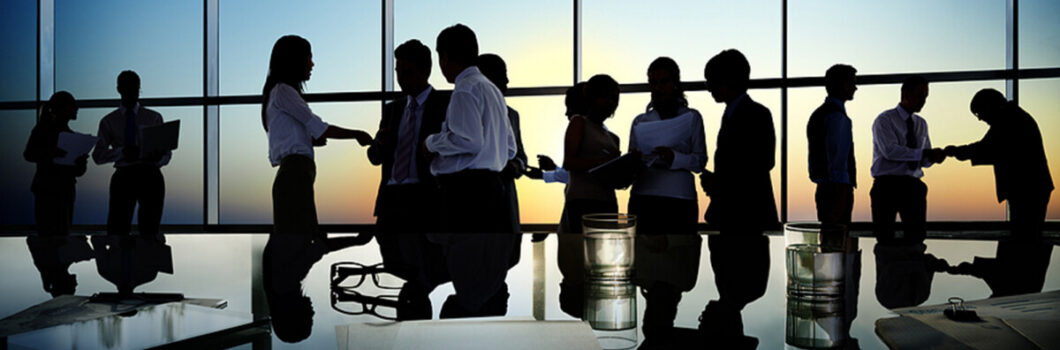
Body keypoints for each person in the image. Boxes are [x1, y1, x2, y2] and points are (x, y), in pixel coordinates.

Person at [423, 24, 518, 318]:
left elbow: (469, 141)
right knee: (483, 272)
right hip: (492, 191)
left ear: (446, 57)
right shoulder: (491, 90)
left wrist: (432, 142)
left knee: (466, 269)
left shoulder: (465, 89)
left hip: (467, 195)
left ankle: (466, 322)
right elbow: (510, 149)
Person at [366, 39, 451, 320]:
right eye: (398, 72)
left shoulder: (445, 104)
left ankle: (416, 312)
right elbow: (375, 157)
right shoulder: (392, 109)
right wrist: (379, 142)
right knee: (393, 263)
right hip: (391, 199)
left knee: (421, 266)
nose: (401, 79)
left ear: (426, 71)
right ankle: (409, 310)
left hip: (423, 197)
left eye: (408, 72)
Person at [627, 57, 707, 346]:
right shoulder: (640, 121)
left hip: (678, 201)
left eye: (662, 81)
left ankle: (660, 336)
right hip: (645, 197)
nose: (657, 87)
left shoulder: (692, 118)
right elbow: (631, 160)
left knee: (674, 257)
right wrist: (635, 162)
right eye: (652, 81)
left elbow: (700, 161)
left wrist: (675, 158)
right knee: (649, 254)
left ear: (675, 83)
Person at [698, 49, 776, 345]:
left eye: (711, 81)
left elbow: (761, 162)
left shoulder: (755, 114)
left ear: (727, 80)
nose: (708, 87)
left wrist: (720, 184)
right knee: (733, 285)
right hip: (735, 214)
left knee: (736, 282)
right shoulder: (736, 114)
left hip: (742, 217)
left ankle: (728, 339)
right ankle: (729, 338)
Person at [261, 35, 373, 240]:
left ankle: (356, 241)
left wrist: (308, 140)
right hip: (295, 172)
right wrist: (356, 134)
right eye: (308, 58)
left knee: (299, 237)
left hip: (294, 172)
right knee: (301, 239)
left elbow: (286, 132)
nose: (312, 64)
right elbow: (319, 126)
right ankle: (357, 241)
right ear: (294, 60)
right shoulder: (284, 91)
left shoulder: (276, 93)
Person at [945, 88, 1054, 241]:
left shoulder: (1007, 119)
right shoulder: (1013, 116)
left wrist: (955, 152)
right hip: (1031, 187)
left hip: (1027, 189)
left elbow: (987, 149)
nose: (980, 118)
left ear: (988, 106)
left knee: (1025, 238)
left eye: (978, 113)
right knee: (1027, 237)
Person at [556, 75, 621, 318]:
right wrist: (603, 162)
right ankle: (579, 310)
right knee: (581, 265)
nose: (611, 103)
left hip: (606, 202)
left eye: (615, 99)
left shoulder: (613, 137)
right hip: (582, 202)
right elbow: (569, 162)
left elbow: (615, 178)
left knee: (602, 264)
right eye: (606, 97)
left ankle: (596, 311)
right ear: (592, 98)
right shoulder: (578, 123)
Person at [92, 71, 170, 238]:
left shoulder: (154, 117)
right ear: (119, 89)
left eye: (135, 87)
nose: (133, 91)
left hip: (150, 175)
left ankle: (144, 261)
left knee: (150, 229)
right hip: (124, 177)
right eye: (128, 87)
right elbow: (98, 155)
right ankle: (122, 262)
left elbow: (166, 153)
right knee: (117, 230)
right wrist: (122, 153)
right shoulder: (108, 121)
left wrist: (158, 158)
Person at [870, 76, 946, 244]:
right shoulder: (884, 120)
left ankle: (914, 269)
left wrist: (932, 158)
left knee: (917, 237)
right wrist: (924, 154)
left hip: (913, 187)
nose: (923, 101)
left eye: (926, 96)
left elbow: (923, 160)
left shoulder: (921, 124)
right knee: (884, 238)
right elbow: (890, 151)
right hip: (887, 186)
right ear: (905, 93)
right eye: (920, 95)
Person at [477, 53, 528, 243]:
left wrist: (516, 165)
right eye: (501, 74)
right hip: (475, 206)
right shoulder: (464, 111)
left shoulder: (512, 115)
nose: (507, 80)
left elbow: (522, 156)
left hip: (505, 204)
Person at [25, 91, 88, 237]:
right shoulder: (43, 130)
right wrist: (53, 153)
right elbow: (29, 154)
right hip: (50, 189)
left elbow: (78, 172)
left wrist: (81, 162)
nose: (77, 108)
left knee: (58, 235)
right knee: (54, 236)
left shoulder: (69, 135)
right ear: (62, 108)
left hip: (62, 190)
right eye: (73, 105)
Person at [807, 64, 858, 225]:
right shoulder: (837, 117)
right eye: (852, 83)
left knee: (829, 241)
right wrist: (840, 197)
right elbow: (838, 163)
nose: (855, 88)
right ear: (844, 85)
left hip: (824, 189)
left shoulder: (818, 114)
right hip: (836, 191)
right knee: (837, 241)